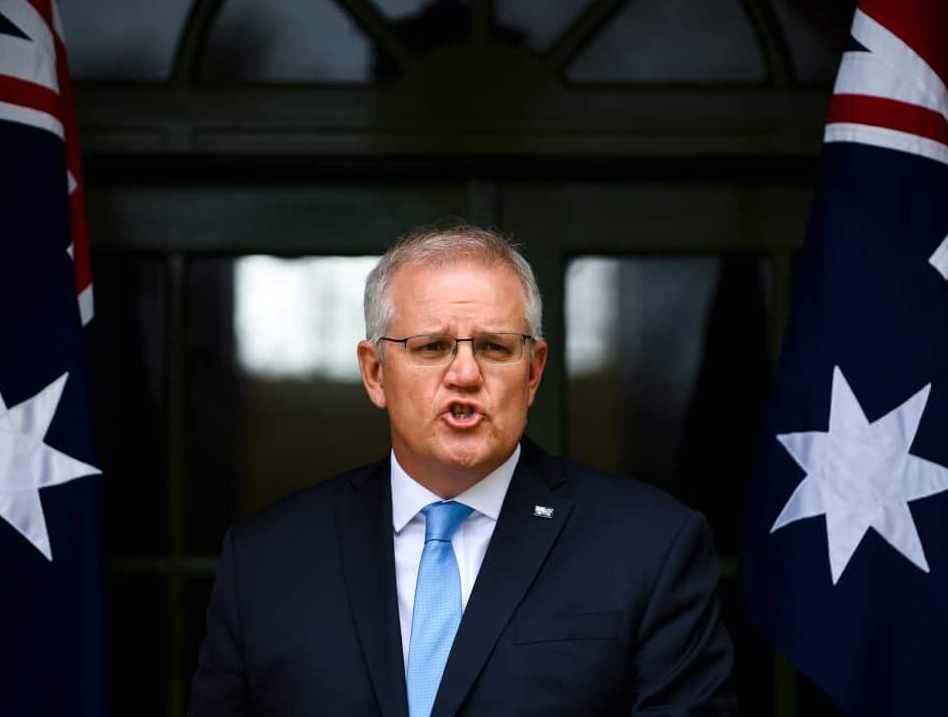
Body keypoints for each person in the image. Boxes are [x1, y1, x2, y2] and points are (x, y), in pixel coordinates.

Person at [189, 223, 736, 716]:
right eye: (432, 347)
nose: (466, 373)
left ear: (534, 372)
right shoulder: (266, 562)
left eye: (496, 348)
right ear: (375, 372)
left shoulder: (650, 546)